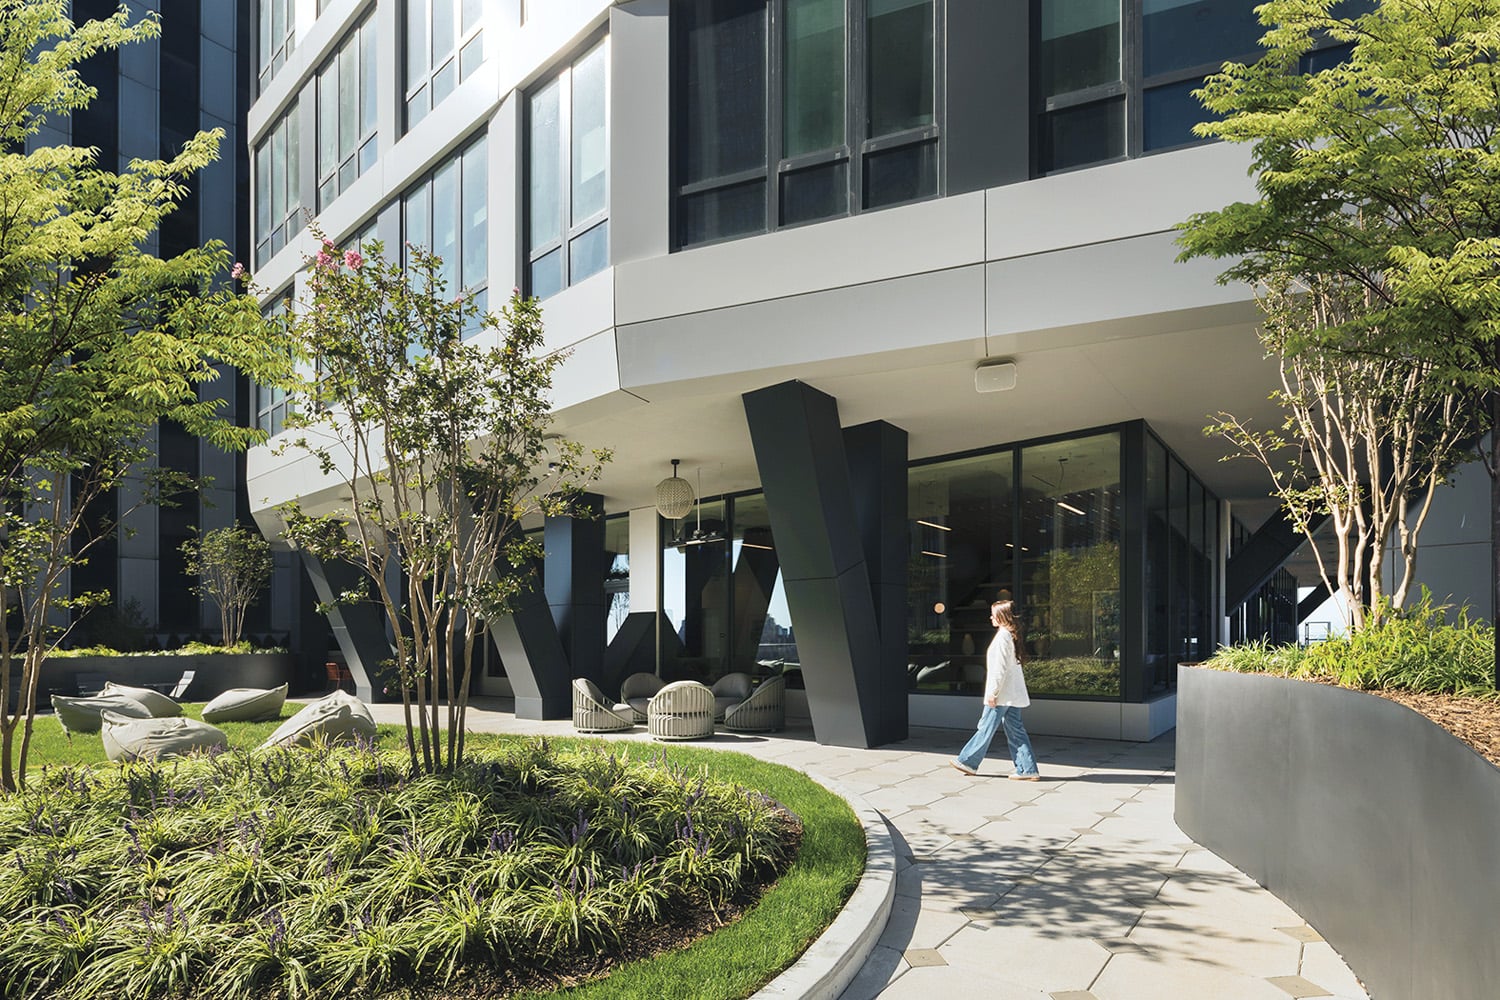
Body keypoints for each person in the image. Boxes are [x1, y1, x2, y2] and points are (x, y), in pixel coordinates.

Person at [951, 599, 1040, 780]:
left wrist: (992, 693)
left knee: (986, 727)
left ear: (1001, 616)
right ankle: (1027, 769)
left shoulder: (1002, 638)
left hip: (1001, 695)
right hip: (1011, 694)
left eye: (993, 614)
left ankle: (968, 761)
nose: (990, 617)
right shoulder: (1010, 636)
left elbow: (999, 670)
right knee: (1016, 730)